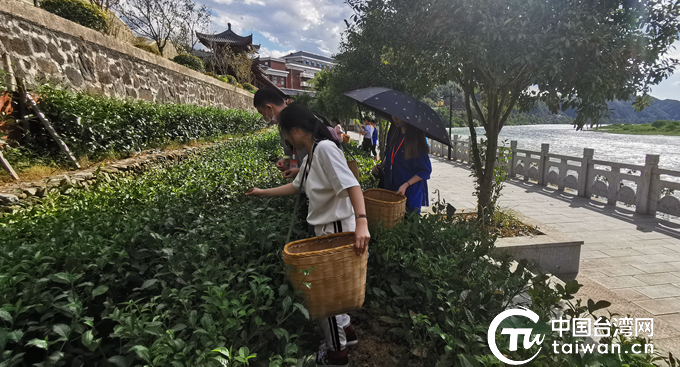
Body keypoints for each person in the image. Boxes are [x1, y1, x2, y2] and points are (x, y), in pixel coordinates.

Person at [246, 103, 370, 367]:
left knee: (327, 298)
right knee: (330, 292)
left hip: (335, 229)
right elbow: (296, 185)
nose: (287, 140)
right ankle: (347, 334)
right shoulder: (312, 153)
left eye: (286, 134)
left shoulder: (324, 149)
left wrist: (362, 222)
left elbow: (352, 184)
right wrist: (262, 192)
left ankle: (338, 356)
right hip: (325, 230)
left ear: (297, 131)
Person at [374, 116, 432, 213]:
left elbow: (425, 170)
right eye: (393, 114)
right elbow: (390, 155)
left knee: (407, 222)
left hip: (409, 193)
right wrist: (381, 166)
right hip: (392, 189)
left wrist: (405, 185)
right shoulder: (394, 135)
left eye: (399, 116)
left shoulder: (416, 142)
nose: (394, 118)